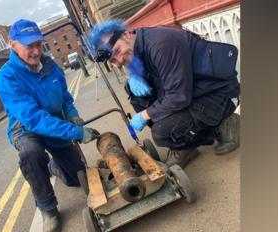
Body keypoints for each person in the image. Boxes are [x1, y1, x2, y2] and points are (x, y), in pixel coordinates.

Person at [0, 19, 99, 232]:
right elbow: (33, 118)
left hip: (56, 122)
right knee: (31, 153)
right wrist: (74, 132)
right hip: (26, 128)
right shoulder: (6, 77)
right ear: (12, 45)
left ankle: (54, 167)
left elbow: (65, 96)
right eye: (28, 46)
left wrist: (72, 114)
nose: (35, 51)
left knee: (76, 179)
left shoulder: (51, 65)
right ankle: (48, 208)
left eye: (37, 44)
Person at [88, 20, 240, 167]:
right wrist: (136, 76)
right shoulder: (139, 44)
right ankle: (187, 144)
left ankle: (224, 123)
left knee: (162, 132)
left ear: (126, 34)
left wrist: (145, 115)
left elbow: (178, 96)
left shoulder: (161, 44)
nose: (119, 61)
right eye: (113, 60)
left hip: (218, 93)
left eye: (118, 51)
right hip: (194, 90)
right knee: (138, 97)